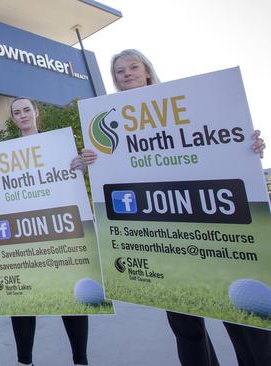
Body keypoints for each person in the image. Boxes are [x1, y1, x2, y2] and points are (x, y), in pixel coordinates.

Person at [88, 49, 269, 366]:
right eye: (119, 71)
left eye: (133, 67)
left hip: (216, 232)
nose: (126, 73)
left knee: (243, 322)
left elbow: (220, 141)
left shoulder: (188, 104)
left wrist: (249, 146)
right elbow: (113, 171)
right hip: (167, 240)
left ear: (147, 71)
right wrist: (86, 160)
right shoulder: (108, 123)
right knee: (186, 329)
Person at [0, 96, 93, 366]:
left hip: (59, 232)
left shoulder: (60, 146)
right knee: (21, 298)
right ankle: (25, 361)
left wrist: (82, 165)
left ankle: (80, 360)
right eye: (16, 112)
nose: (22, 115)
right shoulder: (2, 154)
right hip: (20, 237)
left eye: (26, 110)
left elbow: (73, 181)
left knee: (69, 294)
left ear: (36, 112)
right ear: (12, 119)